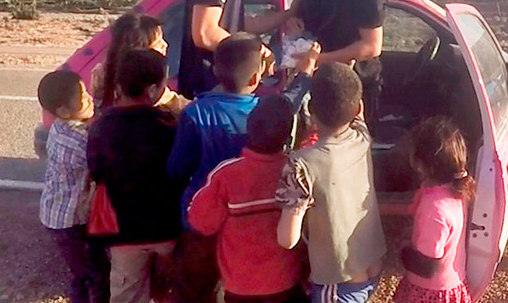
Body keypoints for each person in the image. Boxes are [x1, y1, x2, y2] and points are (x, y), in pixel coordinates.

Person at [168, 33, 319, 303]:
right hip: (249, 225)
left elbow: (177, 168)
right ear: (255, 79)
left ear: (215, 70)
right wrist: (305, 73)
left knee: (195, 291)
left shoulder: (195, 113)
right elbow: (289, 102)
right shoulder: (263, 113)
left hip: (202, 225)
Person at [276, 62, 386, 303]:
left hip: (338, 283)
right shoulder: (363, 137)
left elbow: (287, 239)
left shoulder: (301, 165)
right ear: (358, 107)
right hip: (372, 265)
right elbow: (357, 115)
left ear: (311, 110)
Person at [187, 95, 310, 303]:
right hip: (286, 282)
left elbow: (201, 222)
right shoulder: (296, 171)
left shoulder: (225, 175)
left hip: (240, 286)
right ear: (288, 135)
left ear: (249, 129)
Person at [87, 50, 183, 303]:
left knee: (127, 292)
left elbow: (96, 171)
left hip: (123, 231)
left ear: (118, 86)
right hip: (166, 228)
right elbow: (181, 170)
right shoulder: (169, 126)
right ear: (153, 90)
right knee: (170, 291)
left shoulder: (101, 127)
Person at [286, 0, 384, 129]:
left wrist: (318, 59)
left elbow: (371, 46)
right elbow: (312, 21)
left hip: (353, 88)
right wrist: (294, 21)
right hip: (317, 85)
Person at [37, 70, 110, 303]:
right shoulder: (78, 141)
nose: (89, 98)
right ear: (63, 111)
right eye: (82, 97)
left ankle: (80, 291)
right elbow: (102, 167)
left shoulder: (60, 128)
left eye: (86, 92)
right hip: (69, 221)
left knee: (81, 269)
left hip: (57, 214)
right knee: (96, 272)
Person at [393, 118, 473, 303]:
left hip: (430, 292)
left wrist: (404, 250)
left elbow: (428, 267)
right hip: (450, 284)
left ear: (420, 164)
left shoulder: (435, 209)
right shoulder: (455, 190)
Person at [91, 12, 189, 114]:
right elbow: (177, 105)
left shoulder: (101, 73)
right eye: (158, 44)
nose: (165, 45)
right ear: (140, 52)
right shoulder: (150, 83)